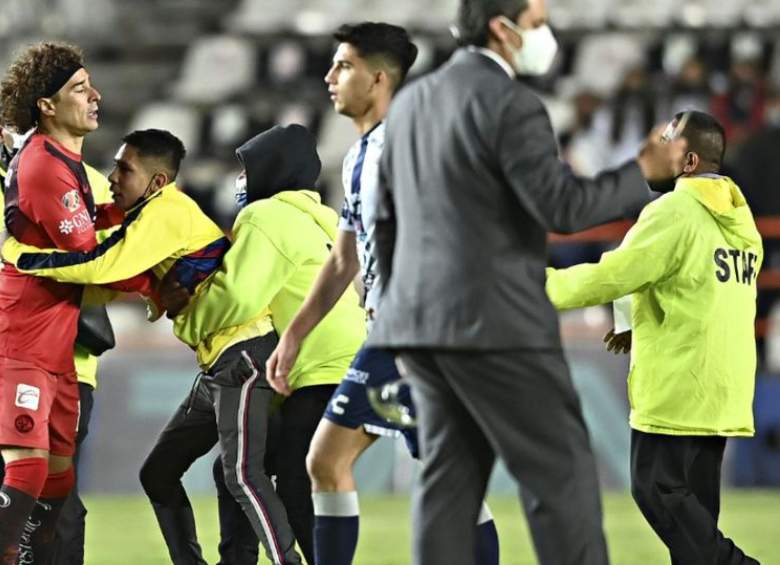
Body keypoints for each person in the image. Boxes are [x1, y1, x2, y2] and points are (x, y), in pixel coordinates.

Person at [366, 1, 687, 564]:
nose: (545, 33)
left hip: (418, 324)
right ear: (502, 29)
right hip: (495, 327)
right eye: (537, 22)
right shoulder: (511, 103)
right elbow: (561, 205)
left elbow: (384, 216)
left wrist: (394, 305)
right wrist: (642, 171)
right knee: (559, 475)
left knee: (449, 482)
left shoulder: (412, 99)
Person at [0, 129, 304, 564]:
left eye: (125, 168)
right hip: (218, 362)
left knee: (243, 476)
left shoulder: (165, 213)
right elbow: (123, 258)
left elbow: (102, 265)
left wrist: (18, 255)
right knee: (160, 473)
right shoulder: (150, 215)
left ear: (157, 182)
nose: (113, 176)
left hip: (245, 355)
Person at [265, 22, 499, 565]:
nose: (329, 77)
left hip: (424, 332)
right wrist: (294, 335)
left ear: (376, 78)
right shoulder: (358, 157)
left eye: (342, 66)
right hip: (399, 329)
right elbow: (345, 258)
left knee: (336, 459)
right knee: (350, 463)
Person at [546, 111, 761, 565]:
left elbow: (615, 273)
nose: (655, 146)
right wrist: (629, 320)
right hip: (722, 389)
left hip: (678, 386)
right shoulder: (741, 220)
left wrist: (528, 286)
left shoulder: (674, 210)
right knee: (694, 520)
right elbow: (684, 278)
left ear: (687, 160)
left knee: (658, 495)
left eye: (667, 139)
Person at [167, 123, 368, 563]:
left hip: (317, 367)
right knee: (236, 470)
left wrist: (184, 318)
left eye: (246, 168)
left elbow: (237, 296)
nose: (239, 180)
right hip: (347, 362)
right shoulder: (323, 219)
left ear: (271, 170)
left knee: (291, 478)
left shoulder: (266, 216)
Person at [0, 41, 133, 565]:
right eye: (80, 89)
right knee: (27, 471)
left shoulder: (68, 164)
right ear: (46, 105)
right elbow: (90, 259)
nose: (95, 96)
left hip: (57, 347)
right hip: (21, 343)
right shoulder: (43, 166)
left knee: (57, 479)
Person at [0, 111, 113, 564]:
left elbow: (108, 258)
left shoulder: (92, 183)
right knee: (12, 487)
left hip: (68, 361)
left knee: (52, 496)